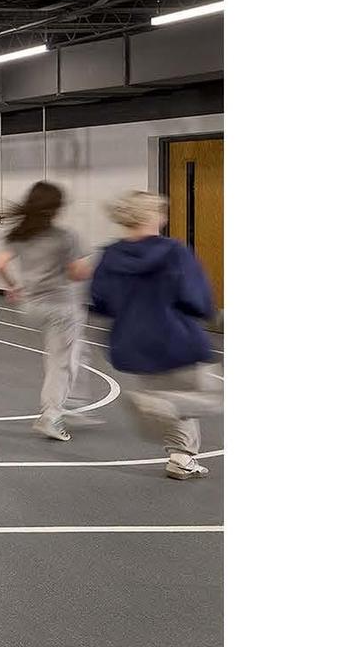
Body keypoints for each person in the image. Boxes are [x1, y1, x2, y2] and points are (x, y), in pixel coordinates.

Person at [89, 191, 221, 480]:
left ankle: (181, 459)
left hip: (132, 339)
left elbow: (100, 299)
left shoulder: (110, 254)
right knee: (212, 396)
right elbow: (195, 296)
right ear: (154, 216)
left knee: (173, 397)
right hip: (175, 335)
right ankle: (162, 404)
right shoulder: (173, 251)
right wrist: (207, 312)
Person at [0, 181, 94, 443]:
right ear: (57, 207)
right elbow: (76, 272)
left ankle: (69, 402)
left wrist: (13, 287)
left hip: (30, 306)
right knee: (61, 363)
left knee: (72, 353)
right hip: (61, 307)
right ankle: (52, 415)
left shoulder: (18, 235)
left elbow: (0, 265)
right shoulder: (65, 237)